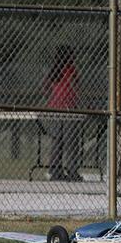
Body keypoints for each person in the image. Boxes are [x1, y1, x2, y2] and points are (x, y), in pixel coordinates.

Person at [42, 45, 83, 181]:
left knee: (57, 140)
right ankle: (71, 171)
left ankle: (55, 170)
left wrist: (53, 98)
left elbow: (45, 88)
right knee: (71, 141)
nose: (74, 58)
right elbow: (76, 87)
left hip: (55, 108)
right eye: (72, 55)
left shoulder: (54, 70)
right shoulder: (71, 70)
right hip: (69, 109)